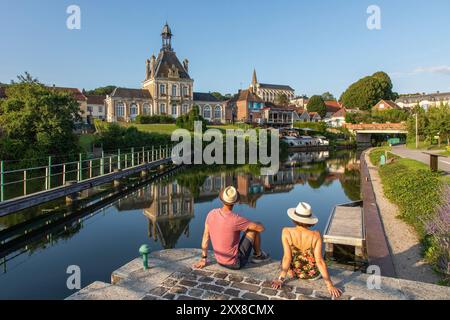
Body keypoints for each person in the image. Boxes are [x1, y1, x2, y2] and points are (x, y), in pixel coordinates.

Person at [271, 202, 342, 298]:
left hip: (294, 273)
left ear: (294, 218)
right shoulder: (316, 235)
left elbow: (287, 257)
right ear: (309, 220)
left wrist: (280, 279)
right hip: (313, 275)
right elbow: (319, 261)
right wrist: (330, 285)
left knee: (283, 260)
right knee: (324, 262)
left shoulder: (286, 232)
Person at [194, 186, 270, 270]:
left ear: (222, 199)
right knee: (254, 228)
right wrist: (249, 225)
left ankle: (257, 254)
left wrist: (203, 258)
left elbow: (205, 238)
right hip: (235, 263)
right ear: (235, 202)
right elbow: (261, 228)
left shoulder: (211, 214)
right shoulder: (235, 219)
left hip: (220, 260)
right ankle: (258, 256)